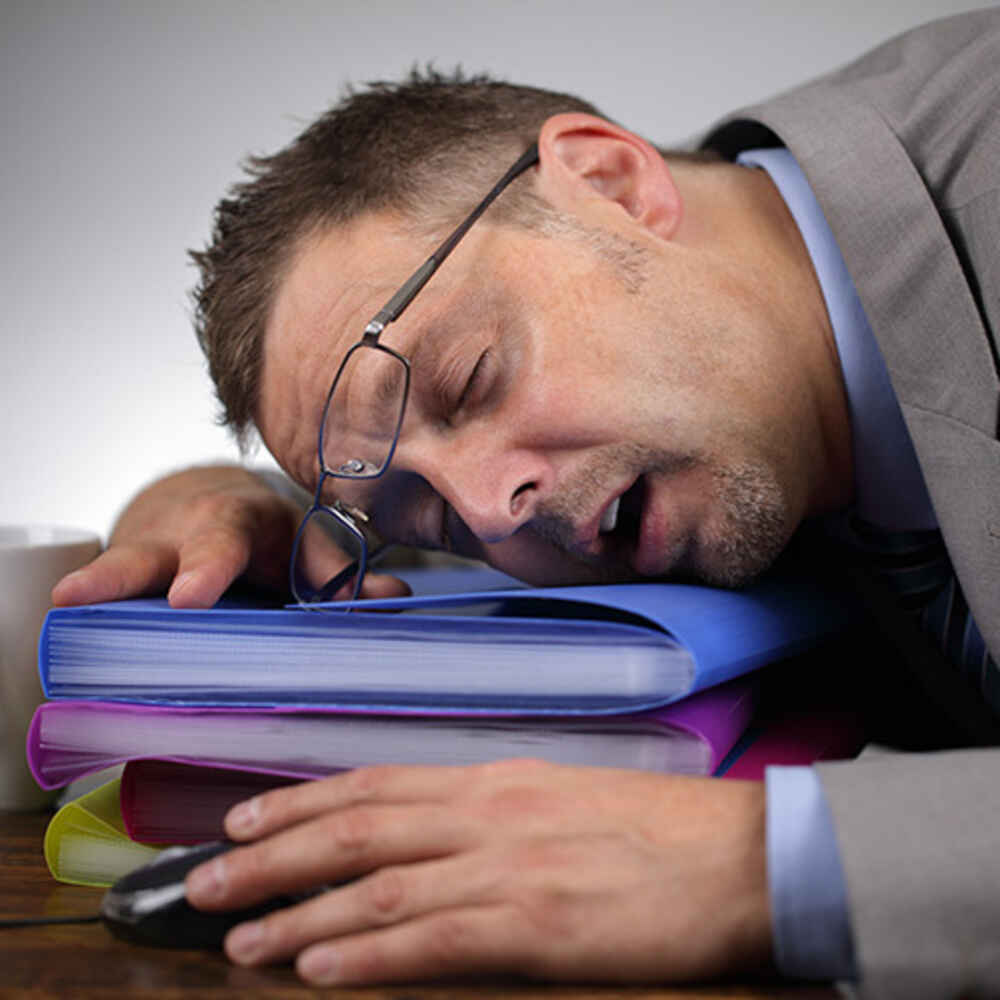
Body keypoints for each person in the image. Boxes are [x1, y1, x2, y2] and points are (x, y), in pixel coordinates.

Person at [52, 8, 1000, 997]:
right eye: (422, 516)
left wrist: (771, 866)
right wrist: (215, 497)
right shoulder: (714, 410)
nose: (492, 513)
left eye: (471, 378)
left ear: (607, 183)